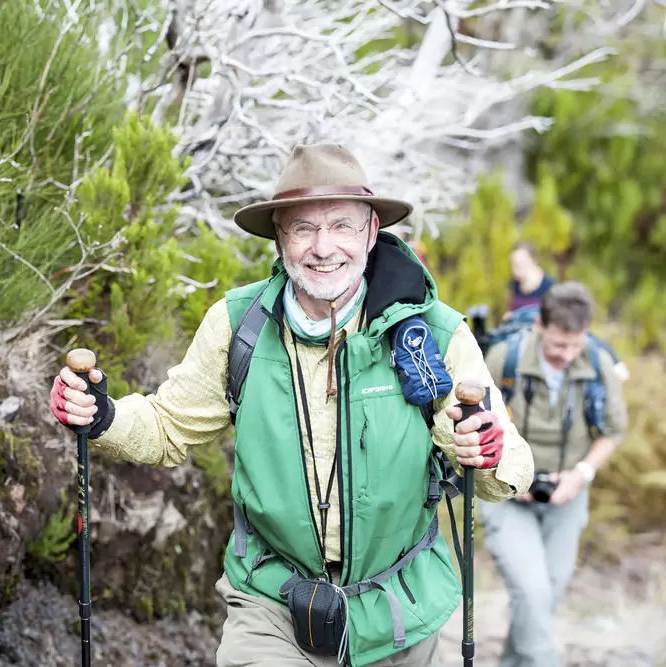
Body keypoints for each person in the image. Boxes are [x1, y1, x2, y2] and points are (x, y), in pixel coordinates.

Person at [50, 143, 535, 667]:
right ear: (279, 239)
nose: (323, 247)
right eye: (303, 228)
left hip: (400, 610)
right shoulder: (238, 326)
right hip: (272, 601)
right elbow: (168, 426)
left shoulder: (433, 334)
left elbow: (507, 468)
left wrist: (482, 448)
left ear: (371, 232)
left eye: (342, 225)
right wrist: (103, 416)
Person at [480, 282, 627, 667]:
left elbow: (613, 431)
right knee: (532, 592)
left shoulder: (597, 363)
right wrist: (509, 474)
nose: (567, 355)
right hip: (508, 494)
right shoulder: (504, 359)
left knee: (547, 593)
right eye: (559, 344)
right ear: (540, 326)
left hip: (568, 496)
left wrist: (580, 474)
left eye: (575, 345)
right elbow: (477, 426)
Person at [508, 242, 555, 315]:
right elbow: (511, 310)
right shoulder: (514, 284)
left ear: (534, 260)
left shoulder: (550, 287)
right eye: (513, 264)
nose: (514, 270)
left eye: (520, 264)